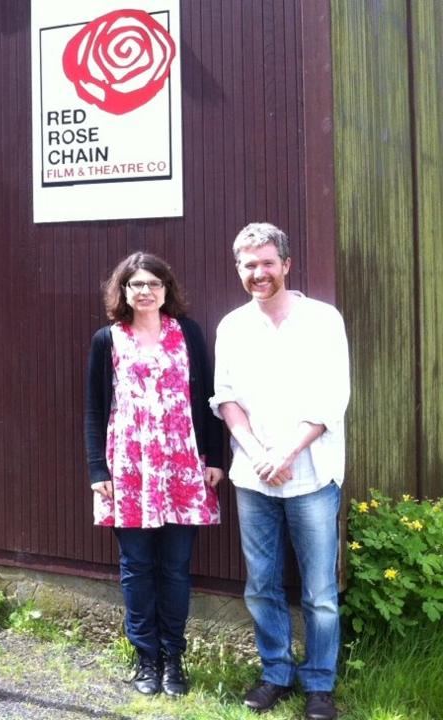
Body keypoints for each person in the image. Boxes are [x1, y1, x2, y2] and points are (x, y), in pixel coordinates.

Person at [210, 222, 349, 720]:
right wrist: (255, 452)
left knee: (319, 592)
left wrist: (285, 453)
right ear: (239, 268)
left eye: (268, 262)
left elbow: (333, 397)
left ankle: (319, 684)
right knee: (261, 584)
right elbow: (225, 397)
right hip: (254, 478)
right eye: (249, 264)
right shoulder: (232, 325)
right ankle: (276, 674)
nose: (259, 272)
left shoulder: (322, 320)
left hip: (311, 474)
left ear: (286, 265)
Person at [85, 252, 225, 697]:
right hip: (127, 471)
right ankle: (147, 658)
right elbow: (93, 408)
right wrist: (96, 468)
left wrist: (214, 458)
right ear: (123, 291)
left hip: (183, 468)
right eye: (136, 284)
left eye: (154, 283)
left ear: (167, 289)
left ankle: (174, 660)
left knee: (177, 568)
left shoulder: (189, 334)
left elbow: (209, 399)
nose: (145, 291)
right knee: (136, 567)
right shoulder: (107, 339)